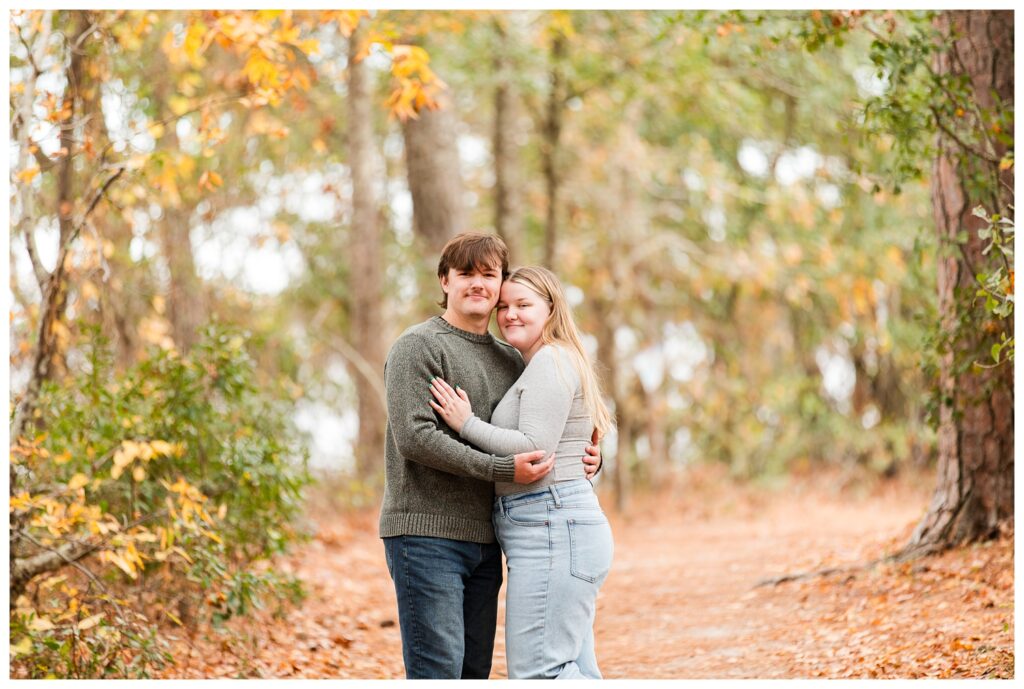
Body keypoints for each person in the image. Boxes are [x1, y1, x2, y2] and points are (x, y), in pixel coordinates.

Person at [379, 233, 601, 679]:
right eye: (466, 274)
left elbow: (547, 426)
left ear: (501, 283)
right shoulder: (417, 346)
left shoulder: (512, 357)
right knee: (439, 670)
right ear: (444, 280)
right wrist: (501, 468)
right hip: (427, 534)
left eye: (489, 274)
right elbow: (416, 438)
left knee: (474, 671)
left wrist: (590, 457)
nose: (478, 284)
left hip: (489, 538)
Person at [428, 265, 615, 679]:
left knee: (540, 674)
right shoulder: (540, 362)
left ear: (551, 309)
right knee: (573, 667)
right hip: (555, 525)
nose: (511, 314)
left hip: (551, 525)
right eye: (504, 306)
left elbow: (534, 447)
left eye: (524, 305)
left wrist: (466, 423)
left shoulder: (550, 360)